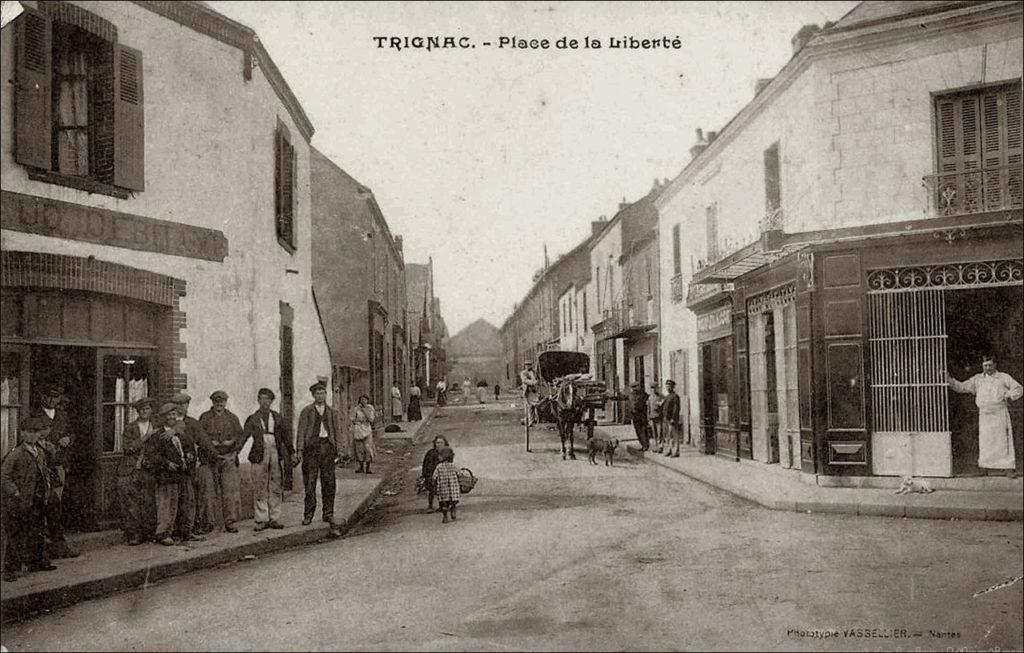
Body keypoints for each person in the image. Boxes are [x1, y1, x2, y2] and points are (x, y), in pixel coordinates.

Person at [2, 416, 57, 582]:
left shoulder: (39, 452)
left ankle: (37, 561)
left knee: (37, 530)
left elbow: (44, 472)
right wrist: (15, 491)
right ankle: (9, 569)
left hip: (37, 499)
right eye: (28, 432)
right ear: (22, 434)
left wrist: (46, 490)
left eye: (36, 432)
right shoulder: (16, 453)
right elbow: (4, 475)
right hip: (20, 501)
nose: (32, 436)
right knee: (16, 534)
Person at [948, 356, 1023, 477]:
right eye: (985, 365)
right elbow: (961, 387)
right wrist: (949, 379)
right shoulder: (977, 379)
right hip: (984, 416)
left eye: (990, 365)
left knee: (1002, 441)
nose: (987, 368)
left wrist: (1008, 394)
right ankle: (985, 467)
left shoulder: (1004, 377)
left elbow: (1019, 388)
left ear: (995, 365)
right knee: (986, 442)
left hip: (999, 414)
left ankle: (1008, 468)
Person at [32, 384, 78, 559]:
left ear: (59, 398)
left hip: (58, 465)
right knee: (43, 505)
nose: (52, 400)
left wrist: (68, 438)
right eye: (48, 397)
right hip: (41, 466)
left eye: (56, 397)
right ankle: (43, 546)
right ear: (43, 397)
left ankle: (55, 545)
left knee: (55, 504)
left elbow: (72, 433)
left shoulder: (62, 415)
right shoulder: (35, 414)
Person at [146, 403, 202, 545]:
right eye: (168, 415)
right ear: (163, 417)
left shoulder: (181, 433)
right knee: (167, 505)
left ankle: (186, 532)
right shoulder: (157, 435)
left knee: (187, 504)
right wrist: (166, 463)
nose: (171, 417)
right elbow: (152, 455)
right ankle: (164, 534)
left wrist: (190, 456)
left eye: (173, 415)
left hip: (183, 474)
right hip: (167, 476)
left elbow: (190, 448)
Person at [242, 388, 292, 531]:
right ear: (258, 400)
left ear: (271, 401)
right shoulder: (253, 418)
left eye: (268, 399)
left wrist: (292, 452)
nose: (265, 402)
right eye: (262, 399)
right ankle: (261, 519)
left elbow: (286, 437)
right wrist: (235, 452)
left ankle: (274, 518)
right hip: (259, 453)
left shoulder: (277, 417)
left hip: (275, 452)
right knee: (260, 485)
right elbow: (244, 436)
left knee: (275, 485)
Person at [296, 382, 342, 536]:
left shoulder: (332, 412)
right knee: (310, 483)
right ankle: (308, 515)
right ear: (313, 395)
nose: (320, 396)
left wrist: (340, 450)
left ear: (325, 394)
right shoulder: (307, 411)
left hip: (328, 448)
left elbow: (337, 431)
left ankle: (328, 513)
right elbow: (301, 431)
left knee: (329, 482)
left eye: (322, 393)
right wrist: (300, 450)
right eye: (317, 393)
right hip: (312, 450)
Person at [171, 392, 219, 536]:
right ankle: (179, 527)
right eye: (178, 405)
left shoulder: (192, 423)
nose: (181, 408)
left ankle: (202, 524)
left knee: (203, 491)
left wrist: (213, 458)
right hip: (176, 468)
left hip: (195, 465)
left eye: (184, 405)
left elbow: (204, 442)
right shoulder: (168, 423)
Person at [198, 390, 245, 533]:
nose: (219, 404)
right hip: (209, 460)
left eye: (222, 401)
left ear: (226, 402)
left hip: (228, 459)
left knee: (229, 492)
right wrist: (211, 444)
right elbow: (200, 438)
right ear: (212, 402)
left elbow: (241, 437)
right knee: (208, 493)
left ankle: (230, 522)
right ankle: (208, 523)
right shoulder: (205, 418)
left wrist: (234, 449)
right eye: (216, 401)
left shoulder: (232, 418)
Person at [117, 397, 157, 545]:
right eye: (142, 410)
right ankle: (134, 534)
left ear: (151, 410)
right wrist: (145, 438)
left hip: (149, 469)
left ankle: (148, 532)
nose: (145, 412)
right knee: (132, 503)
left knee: (148, 501)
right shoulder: (130, 427)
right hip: (132, 469)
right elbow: (128, 448)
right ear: (138, 412)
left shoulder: (156, 426)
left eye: (147, 409)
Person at [430, 446, 461, 524]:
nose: (438, 457)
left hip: (443, 489)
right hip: (453, 488)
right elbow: (459, 474)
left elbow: (434, 477)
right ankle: (453, 509)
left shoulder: (439, 466)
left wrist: (433, 483)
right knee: (453, 500)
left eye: (440, 455)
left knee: (444, 503)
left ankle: (445, 516)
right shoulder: (453, 465)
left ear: (444, 456)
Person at [420, 435, 450, 513]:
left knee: (443, 490)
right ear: (435, 443)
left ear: (445, 443)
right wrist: (425, 475)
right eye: (437, 442)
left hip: (443, 474)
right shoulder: (430, 452)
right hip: (431, 474)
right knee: (431, 490)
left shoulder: (447, 452)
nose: (439, 444)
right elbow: (425, 464)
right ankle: (430, 506)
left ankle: (442, 505)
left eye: (441, 442)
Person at [350, 394, 377, 474]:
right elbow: (352, 418)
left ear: (367, 400)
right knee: (359, 449)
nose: (363, 401)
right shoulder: (356, 409)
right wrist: (357, 423)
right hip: (358, 429)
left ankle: (368, 467)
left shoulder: (370, 408)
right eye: (362, 400)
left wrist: (365, 411)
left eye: (365, 400)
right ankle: (361, 466)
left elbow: (371, 419)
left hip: (367, 428)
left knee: (368, 448)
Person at [662, 380, 681, 458]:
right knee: (668, 435)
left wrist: (673, 418)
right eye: (666, 386)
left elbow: (676, 409)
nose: (667, 387)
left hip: (672, 419)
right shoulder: (667, 396)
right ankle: (669, 450)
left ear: (672, 387)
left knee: (674, 436)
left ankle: (675, 451)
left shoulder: (675, 396)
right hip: (666, 418)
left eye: (669, 386)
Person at [631, 383, 650, 451]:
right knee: (638, 431)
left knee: (643, 430)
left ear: (638, 387)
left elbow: (647, 401)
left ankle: (645, 445)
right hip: (634, 415)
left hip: (641, 415)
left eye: (635, 387)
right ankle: (642, 445)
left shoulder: (643, 394)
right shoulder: (631, 395)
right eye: (633, 387)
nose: (634, 389)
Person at [649, 382, 664, 453]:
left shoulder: (661, 397)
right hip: (652, 417)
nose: (653, 390)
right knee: (654, 433)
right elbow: (648, 408)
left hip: (659, 417)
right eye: (652, 388)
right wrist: (648, 417)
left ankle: (660, 447)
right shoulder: (650, 397)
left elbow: (663, 407)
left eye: (655, 388)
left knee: (659, 432)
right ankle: (655, 446)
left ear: (657, 388)